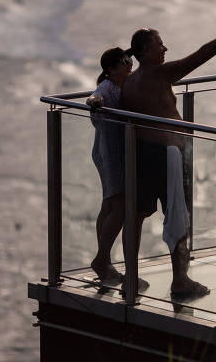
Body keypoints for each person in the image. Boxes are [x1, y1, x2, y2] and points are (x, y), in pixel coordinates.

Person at [120, 10, 216, 300]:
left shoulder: (128, 82)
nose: (165, 49)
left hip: (141, 154)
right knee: (177, 216)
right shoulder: (157, 74)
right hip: (168, 155)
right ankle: (180, 280)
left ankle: (130, 277)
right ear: (144, 52)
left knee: (137, 215)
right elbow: (201, 55)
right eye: (159, 45)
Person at [86, 47, 134, 284]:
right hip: (110, 153)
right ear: (111, 69)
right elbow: (96, 97)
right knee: (120, 207)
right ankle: (101, 260)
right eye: (124, 62)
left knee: (109, 205)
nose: (129, 64)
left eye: (129, 60)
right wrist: (94, 102)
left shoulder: (123, 83)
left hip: (112, 151)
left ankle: (104, 263)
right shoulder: (106, 87)